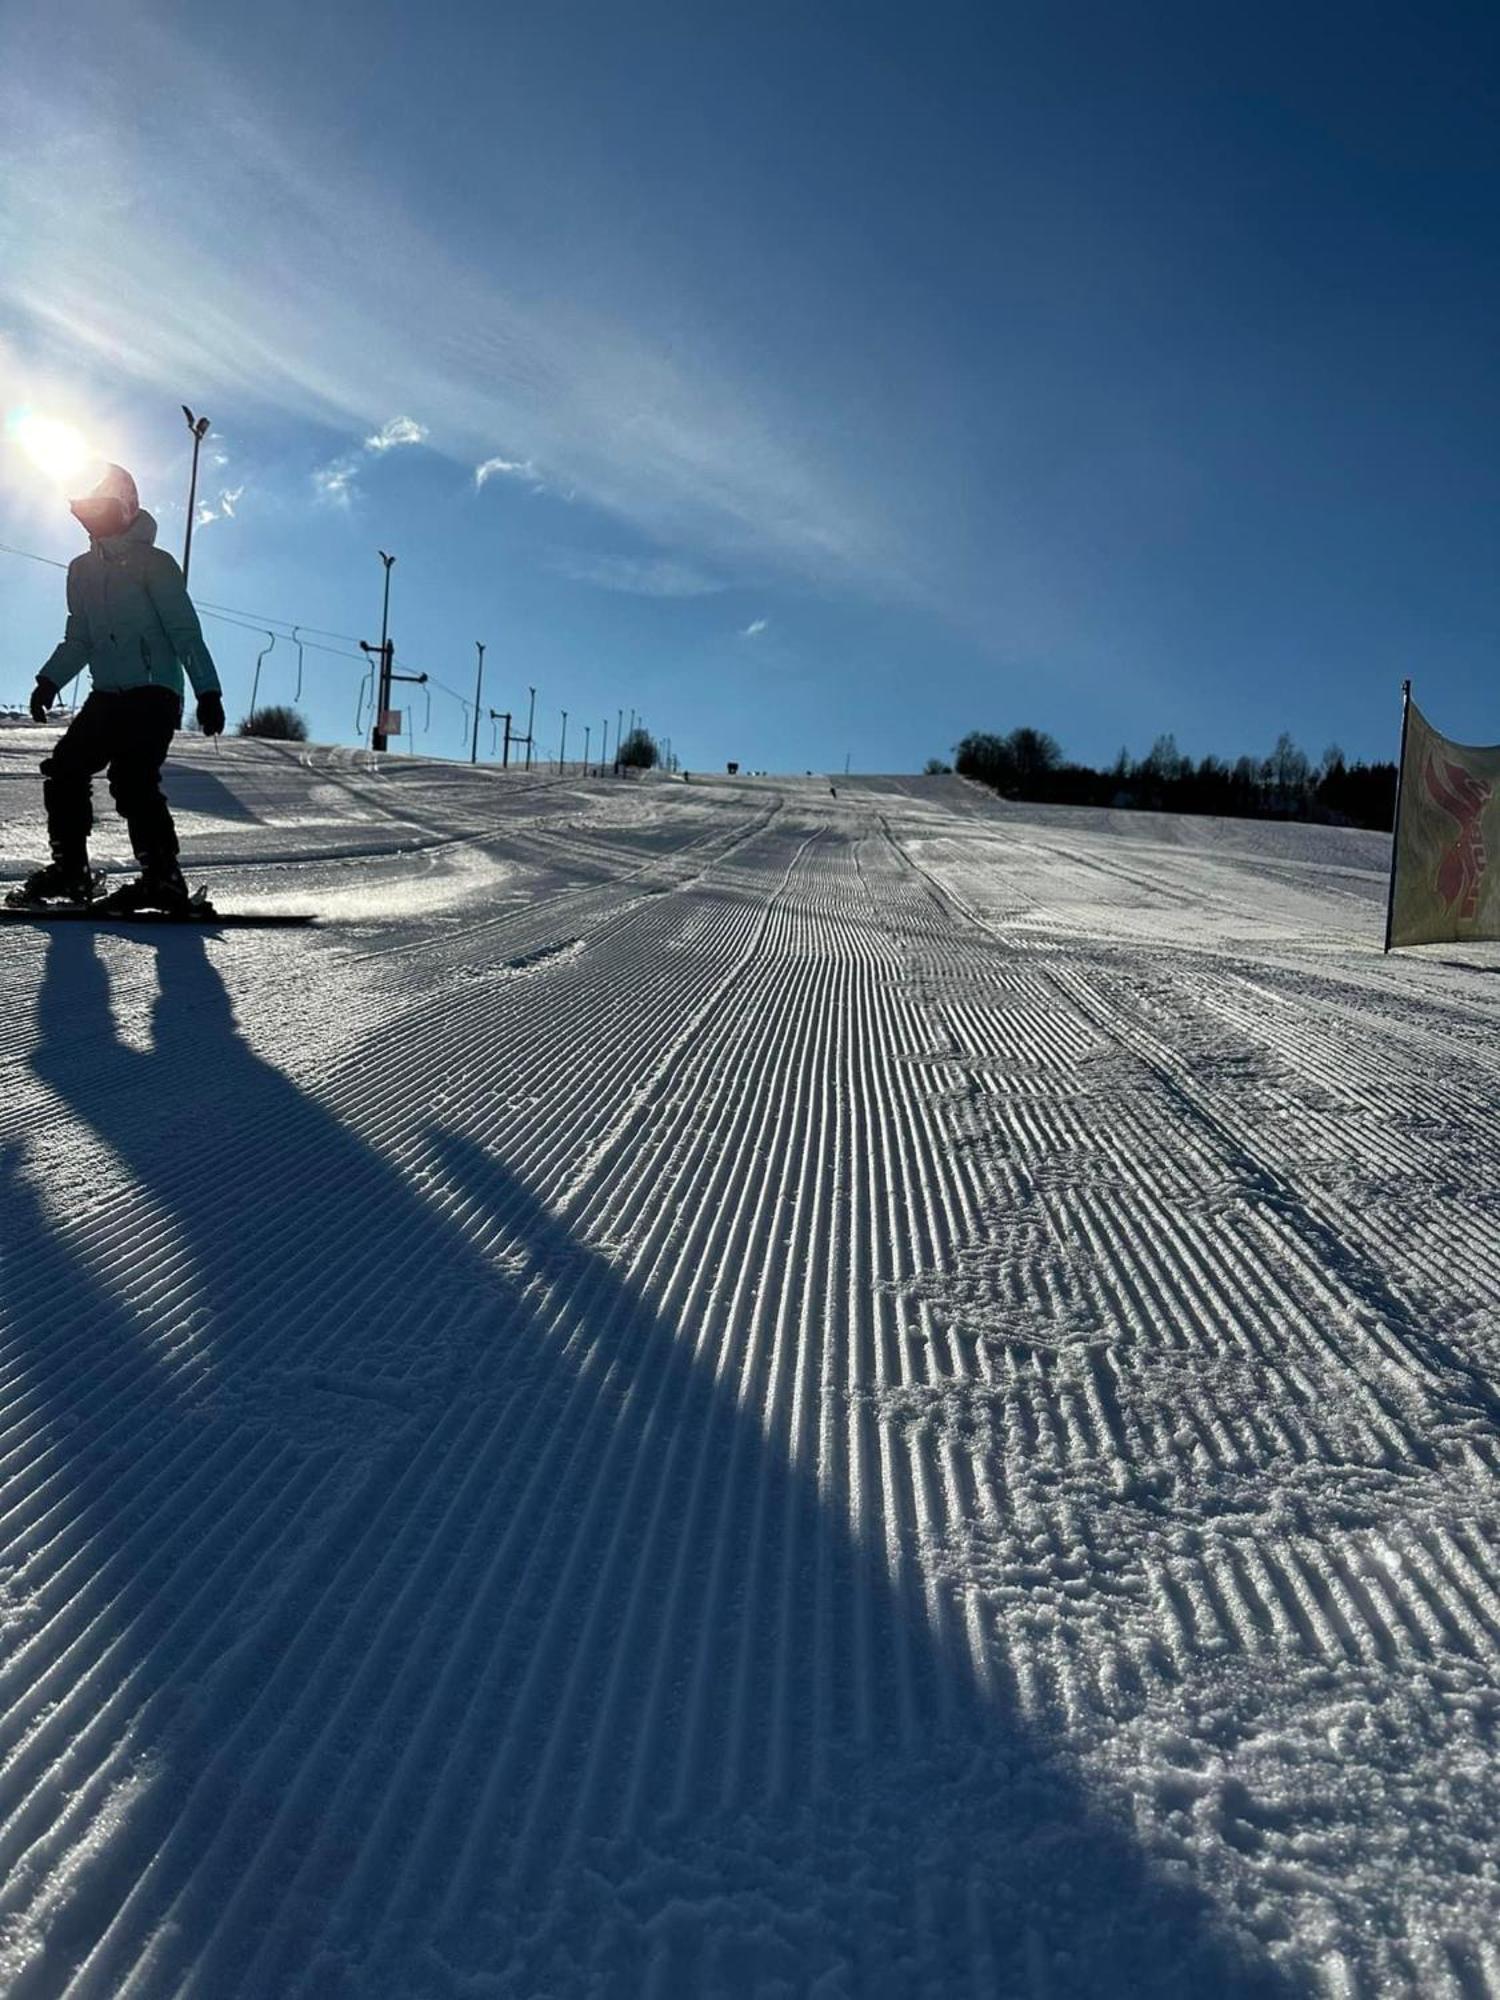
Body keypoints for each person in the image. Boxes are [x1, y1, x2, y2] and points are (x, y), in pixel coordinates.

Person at [17, 464, 226, 911]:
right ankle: (71, 871)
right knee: (66, 769)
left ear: (124, 509)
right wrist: (49, 680)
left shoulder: (156, 564)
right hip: (107, 694)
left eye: (102, 506)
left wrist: (208, 691)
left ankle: (163, 878)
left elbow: (184, 633)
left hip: (154, 693)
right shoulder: (81, 571)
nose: (93, 515)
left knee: (132, 778)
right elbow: (81, 638)